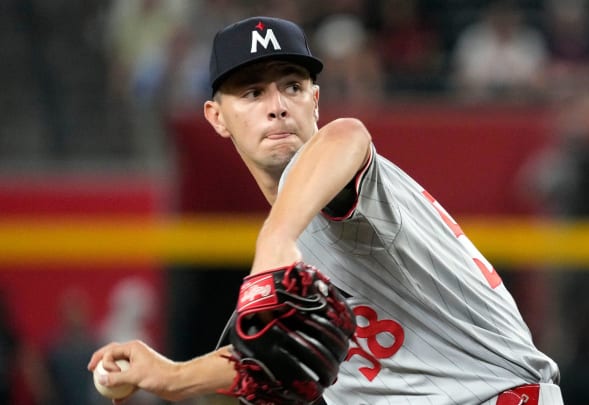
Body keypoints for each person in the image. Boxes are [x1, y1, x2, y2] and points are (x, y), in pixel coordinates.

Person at [88, 16, 563, 405]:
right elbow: (264, 364)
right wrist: (169, 375)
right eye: (252, 93)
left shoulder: (343, 182)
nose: (277, 106)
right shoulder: (295, 233)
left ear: (315, 100)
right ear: (216, 117)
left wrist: (275, 239)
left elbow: (348, 136)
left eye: (292, 87)